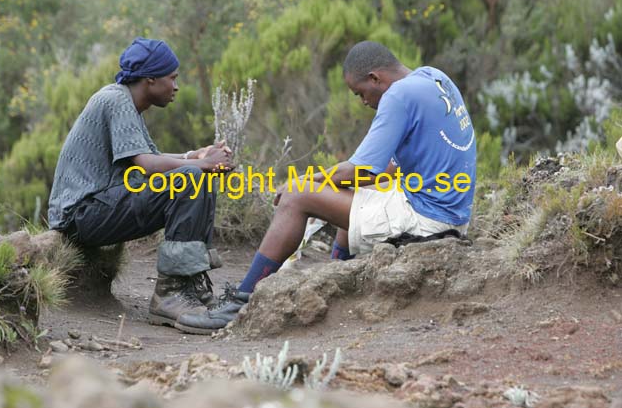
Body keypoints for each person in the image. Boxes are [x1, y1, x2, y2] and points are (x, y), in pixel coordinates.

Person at [175, 40, 477, 335]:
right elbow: (387, 169)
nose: (363, 102)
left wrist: (307, 182)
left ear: (375, 78)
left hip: (428, 219)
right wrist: (329, 182)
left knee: (296, 197)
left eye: (360, 93)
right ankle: (338, 276)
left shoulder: (397, 97)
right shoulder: (432, 77)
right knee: (351, 194)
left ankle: (241, 303)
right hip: (452, 212)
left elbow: (361, 169)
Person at [48, 37, 234, 330]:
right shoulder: (115, 101)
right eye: (171, 78)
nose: (175, 86)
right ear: (150, 80)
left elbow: (150, 158)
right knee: (193, 177)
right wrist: (201, 164)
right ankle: (169, 295)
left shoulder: (124, 102)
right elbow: (148, 166)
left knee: (196, 176)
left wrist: (196, 155)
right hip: (81, 215)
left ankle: (192, 285)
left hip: (99, 207)